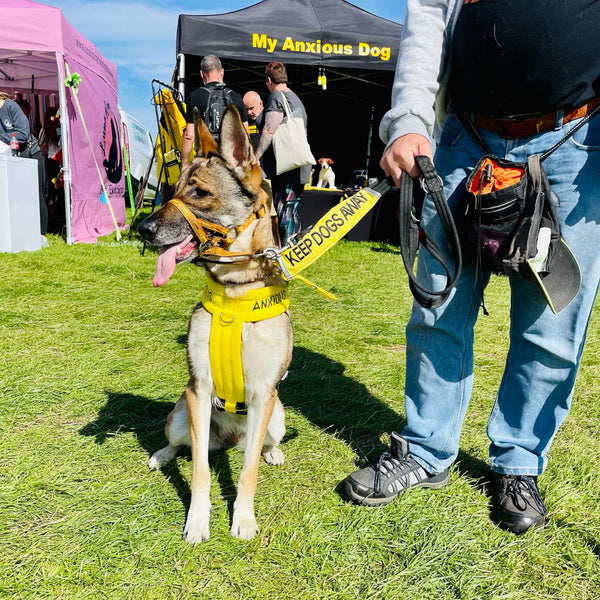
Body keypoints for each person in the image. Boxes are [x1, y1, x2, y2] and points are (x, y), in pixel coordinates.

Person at [344, 0, 600, 534]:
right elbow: (429, 16)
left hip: (578, 141)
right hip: (463, 137)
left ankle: (519, 463)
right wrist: (410, 118)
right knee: (437, 306)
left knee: (551, 324)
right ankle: (424, 448)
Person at [255, 61, 311, 246]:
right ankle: (296, 251)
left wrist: (256, 157)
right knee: (291, 211)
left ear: (269, 80)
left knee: (284, 212)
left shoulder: (276, 98)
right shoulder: (296, 98)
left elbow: (269, 130)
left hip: (286, 166)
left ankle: (287, 256)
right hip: (300, 164)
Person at [181, 54, 248, 170]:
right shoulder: (235, 97)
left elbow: (189, 135)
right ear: (222, 72)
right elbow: (245, 134)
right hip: (231, 164)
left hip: (206, 163)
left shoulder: (194, 96)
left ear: (202, 74)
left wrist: (184, 164)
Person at [0, 91, 47, 243]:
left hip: (30, 154)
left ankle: (41, 235)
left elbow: (23, 134)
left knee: (36, 196)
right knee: (16, 197)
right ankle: (22, 230)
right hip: (11, 158)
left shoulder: (11, 106)